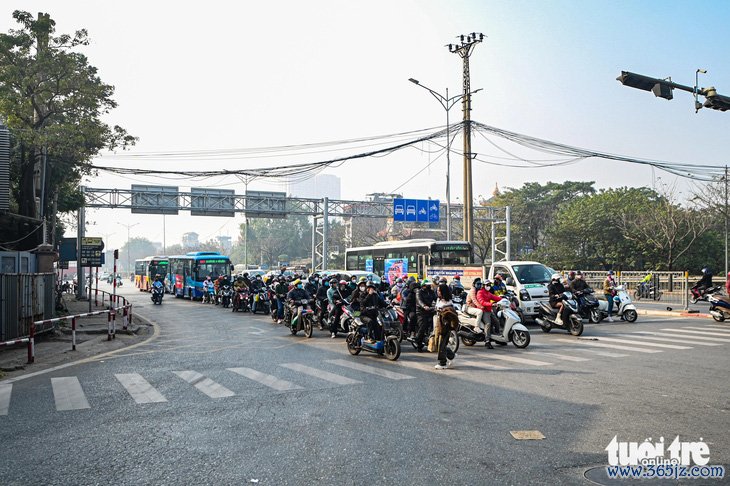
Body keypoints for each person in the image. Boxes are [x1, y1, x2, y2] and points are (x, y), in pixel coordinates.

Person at [434, 283, 458, 369]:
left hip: (445, 326)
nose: (438, 292)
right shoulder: (439, 300)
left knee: (441, 344)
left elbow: (451, 316)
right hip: (438, 324)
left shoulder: (448, 303)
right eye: (437, 291)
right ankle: (451, 356)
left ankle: (442, 363)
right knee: (439, 343)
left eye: (439, 291)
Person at [476, 280, 502, 348]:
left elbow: (495, 297)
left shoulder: (488, 293)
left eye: (489, 285)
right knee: (488, 324)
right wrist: (491, 304)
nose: (488, 286)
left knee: (497, 322)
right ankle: (487, 341)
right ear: (483, 286)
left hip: (489, 310)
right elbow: (482, 302)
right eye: (487, 285)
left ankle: (498, 338)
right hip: (484, 310)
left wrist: (503, 299)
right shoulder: (480, 292)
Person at [414, 279, 437, 352]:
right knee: (423, 326)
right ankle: (419, 343)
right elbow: (419, 301)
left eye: (429, 285)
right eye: (427, 285)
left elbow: (436, 298)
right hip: (421, 312)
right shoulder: (419, 292)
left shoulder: (431, 292)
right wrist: (424, 306)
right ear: (423, 286)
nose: (429, 286)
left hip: (430, 310)